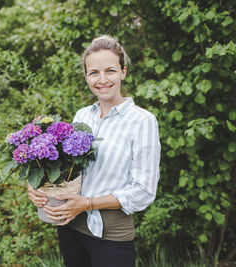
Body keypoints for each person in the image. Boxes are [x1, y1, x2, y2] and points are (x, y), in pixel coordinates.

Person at [27, 35, 161, 267]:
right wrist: (35, 185)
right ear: (86, 77)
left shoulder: (143, 121)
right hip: (70, 227)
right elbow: (66, 168)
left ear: (123, 72)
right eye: (93, 73)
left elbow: (143, 191)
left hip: (111, 237)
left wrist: (87, 203)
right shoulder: (82, 116)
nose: (102, 80)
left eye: (110, 70)